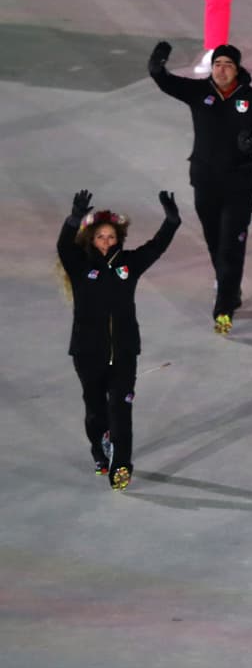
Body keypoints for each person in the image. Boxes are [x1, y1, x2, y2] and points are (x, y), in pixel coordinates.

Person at [149, 41, 252, 334]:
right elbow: (166, 82)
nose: (221, 69)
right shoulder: (199, 92)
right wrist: (156, 66)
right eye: (217, 63)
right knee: (214, 240)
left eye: (228, 65)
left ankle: (224, 307)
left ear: (237, 69)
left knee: (231, 244)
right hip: (205, 180)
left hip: (239, 183)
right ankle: (228, 285)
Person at [57, 190, 181, 491]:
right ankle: (100, 449)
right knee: (96, 410)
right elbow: (63, 247)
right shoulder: (80, 266)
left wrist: (172, 222)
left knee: (121, 411)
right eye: (100, 237)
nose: (105, 242)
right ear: (90, 239)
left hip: (125, 352)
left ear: (119, 239)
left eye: (111, 237)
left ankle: (122, 465)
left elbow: (156, 247)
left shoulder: (129, 264)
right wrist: (73, 220)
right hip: (88, 352)